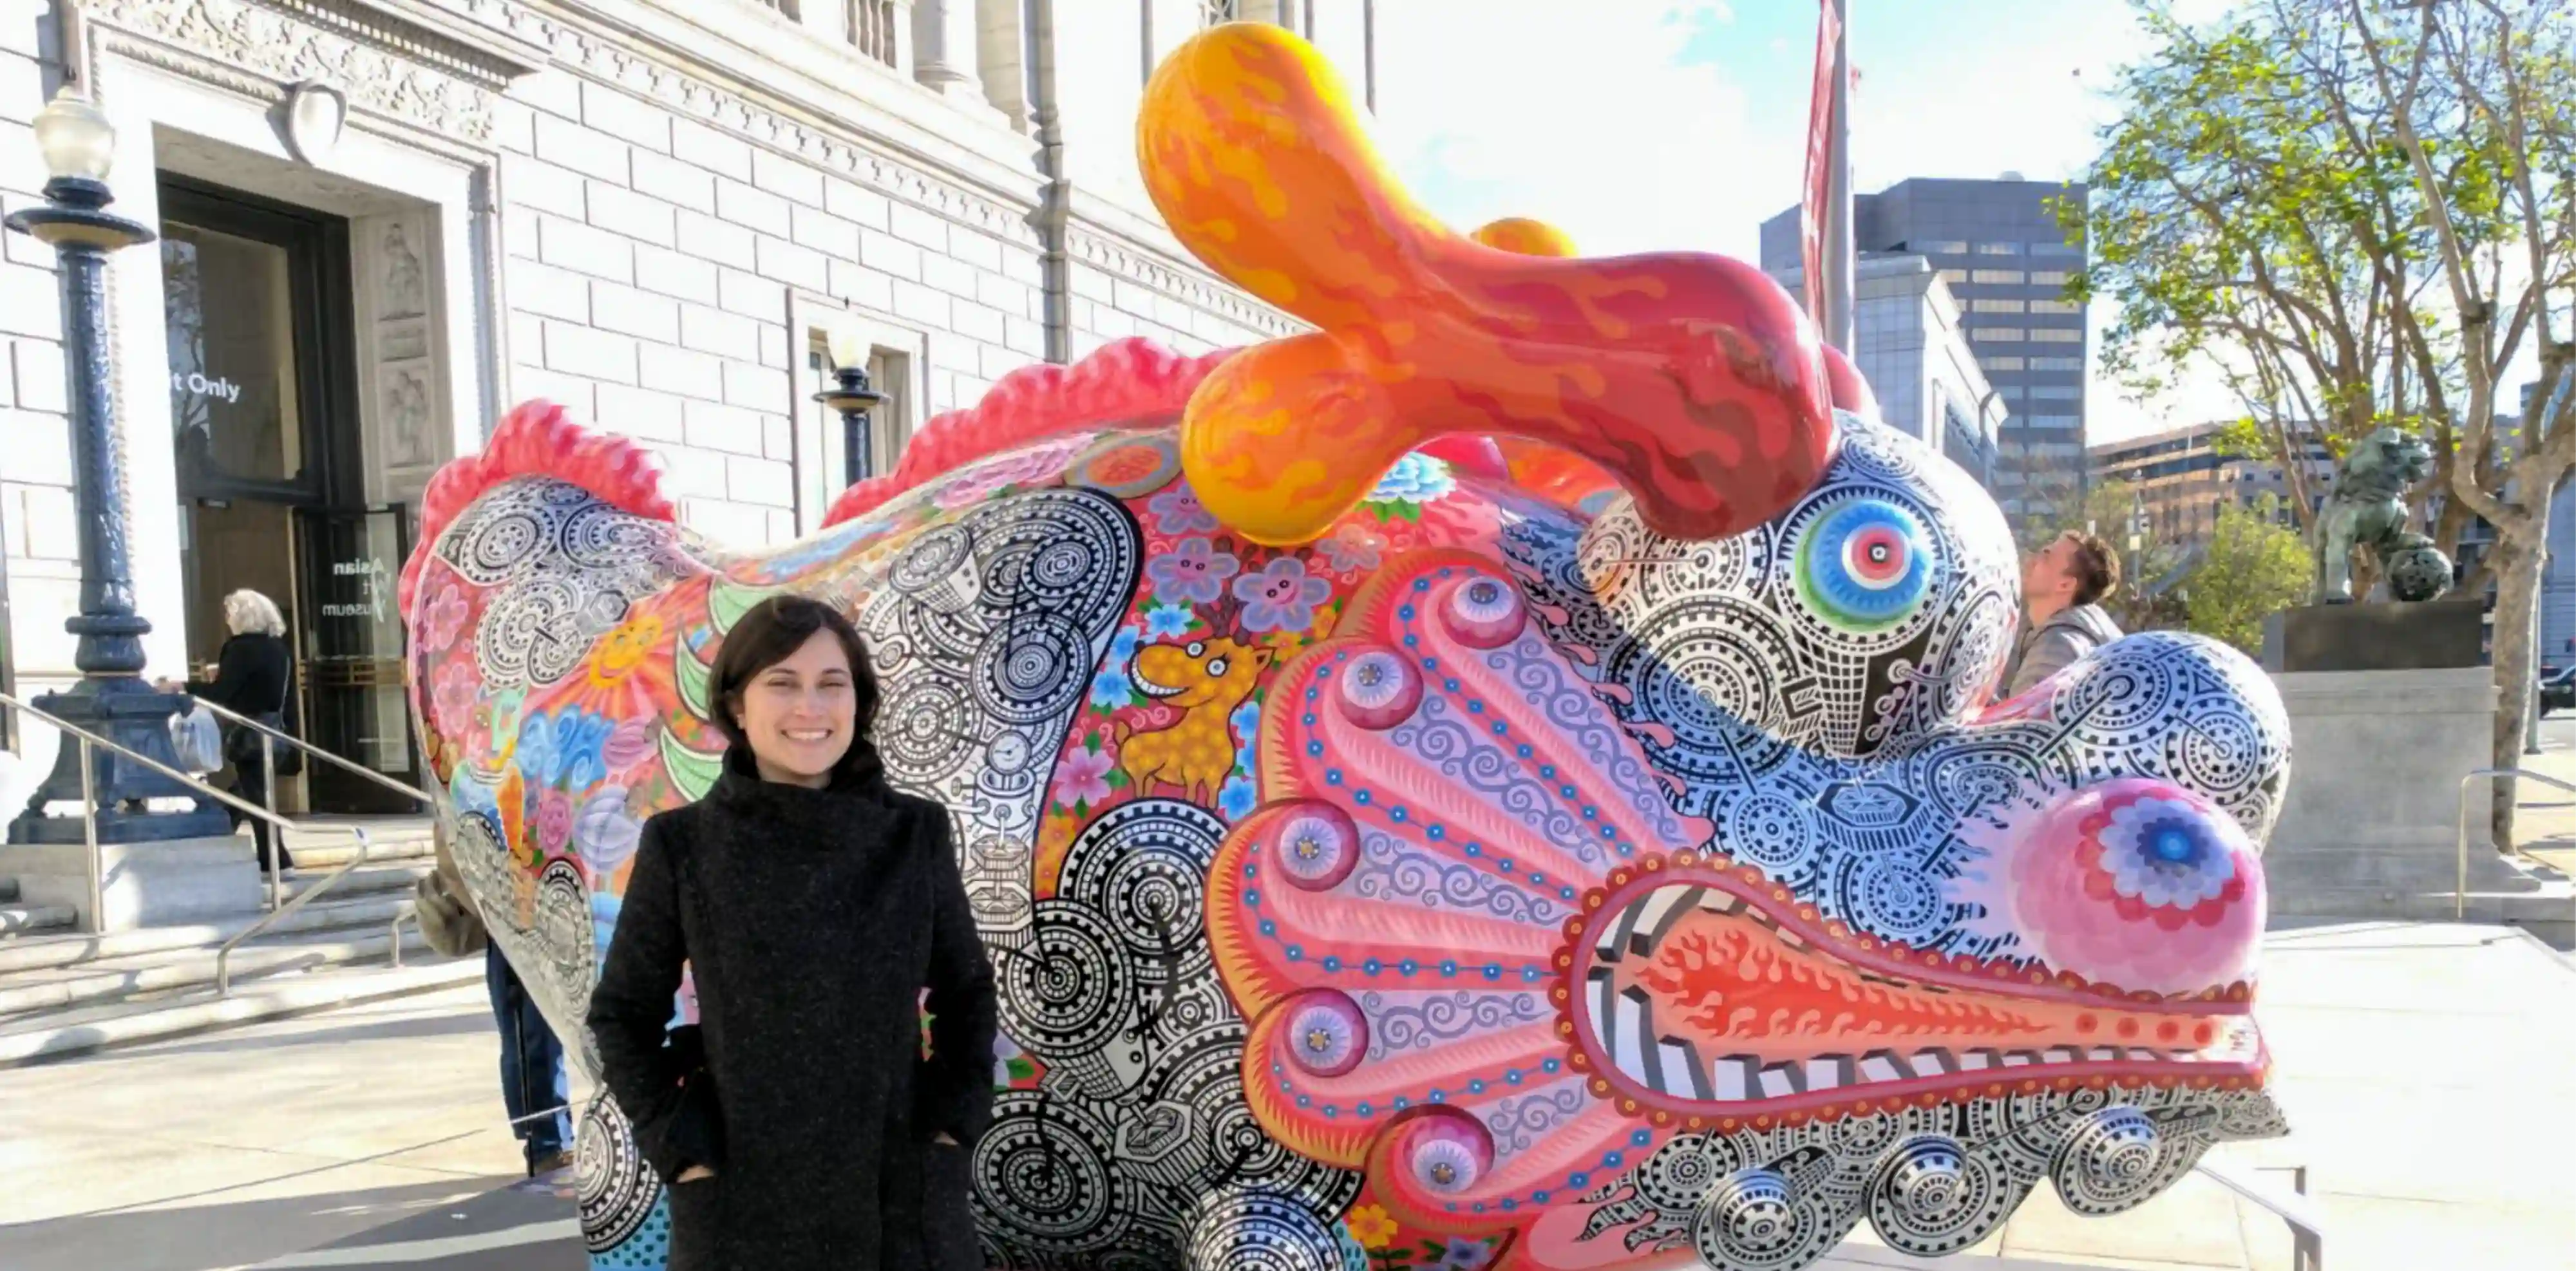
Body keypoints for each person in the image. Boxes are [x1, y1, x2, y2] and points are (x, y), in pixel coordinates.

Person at [587, 595, 996, 1271]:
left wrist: (951, 1125)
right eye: (782, 683)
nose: (811, 707)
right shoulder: (683, 846)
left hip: (902, 1202)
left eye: (831, 685)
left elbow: (966, 989)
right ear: (738, 707)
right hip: (743, 1206)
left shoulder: (914, 833)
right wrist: (682, 1148)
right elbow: (622, 1015)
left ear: (857, 704)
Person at [414, 836, 575, 1178]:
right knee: (531, 1035)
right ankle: (546, 1143)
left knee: (542, 1034)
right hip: (515, 907)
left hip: (550, 896)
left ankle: (551, 1139)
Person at [164, 589, 301, 873]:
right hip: (274, 728)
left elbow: (223, 693)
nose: (227, 619)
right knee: (250, 791)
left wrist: (184, 686)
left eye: (229, 613)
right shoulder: (278, 648)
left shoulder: (239, 648)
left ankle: (275, 858)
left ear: (241, 616)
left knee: (256, 794)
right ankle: (229, 836)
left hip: (248, 729)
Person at [2001, 531, 2125, 700]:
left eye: (2046, 555)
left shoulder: (2055, 649)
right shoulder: (2088, 637)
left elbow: (2019, 724)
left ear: (2065, 584)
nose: (2031, 559)